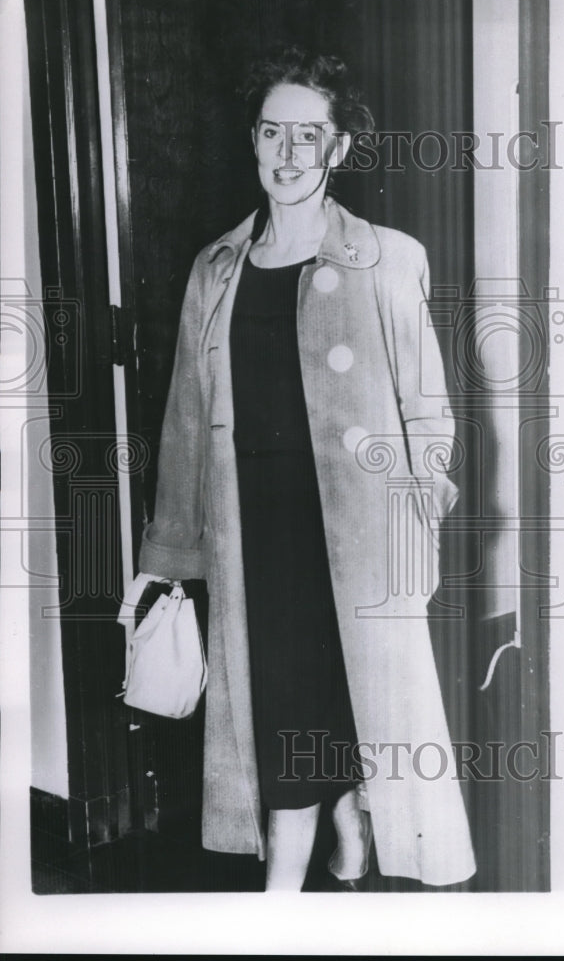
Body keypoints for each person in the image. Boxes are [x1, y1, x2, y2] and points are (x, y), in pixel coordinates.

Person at [120, 46, 475, 891]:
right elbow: (182, 427)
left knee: (340, 698)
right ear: (252, 141)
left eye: (307, 136)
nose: (287, 154)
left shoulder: (387, 257)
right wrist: (164, 563)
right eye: (272, 133)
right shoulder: (215, 269)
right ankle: (314, 853)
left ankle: (311, 859)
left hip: (356, 534)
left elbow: (428, 412)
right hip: (255, 530)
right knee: (282, 700)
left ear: (339, 148)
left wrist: (416, 514)